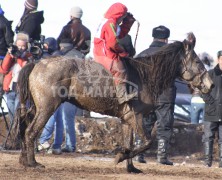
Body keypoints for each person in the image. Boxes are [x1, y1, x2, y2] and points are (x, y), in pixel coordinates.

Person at [137, 25, 175, 165]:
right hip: (165, 95)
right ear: (166, 39)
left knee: (145, 124)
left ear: (153, 37)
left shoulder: (142, 54)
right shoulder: (171, 56)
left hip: (146, 97)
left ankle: (139, 154)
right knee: (164, 125)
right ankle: (162, 156)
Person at [93, 2, 137, 104]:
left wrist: (127, 23)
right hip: (104, 53)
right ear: (119, 14)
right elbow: (112, 42)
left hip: (101, 51)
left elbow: (119, 35)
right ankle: (122, 96)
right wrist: (122, 52)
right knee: (120, 69)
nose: (123, 18)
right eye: (123, 16)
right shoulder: (110, 23)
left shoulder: (109, 22)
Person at [0, 32, 33, 124]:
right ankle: (14, 134)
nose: (20, 48)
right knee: (11, 114)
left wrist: (19, 57)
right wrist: (8, 56)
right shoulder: (12, 56)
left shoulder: (29, 56)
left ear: (27, 46)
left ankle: (19, 133)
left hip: (21, 90)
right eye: (18, 46)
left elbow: (25, 68)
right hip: (10, 89)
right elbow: (3, 70)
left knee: (17, 113)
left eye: (22, 46)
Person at [202, 50, 222, 168]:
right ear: (219, 59)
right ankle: (207, 162)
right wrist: (210, 102)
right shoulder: (210, 74)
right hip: (211, 112)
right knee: (208, 137)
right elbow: (203, 90)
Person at [190, 53, 212, 124]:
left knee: (193, 124)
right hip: (206, 101)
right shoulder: (211, 72)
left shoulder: (195, 71)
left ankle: (193, 135)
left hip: (195, 100)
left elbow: (190, 85)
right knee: (206, 126)